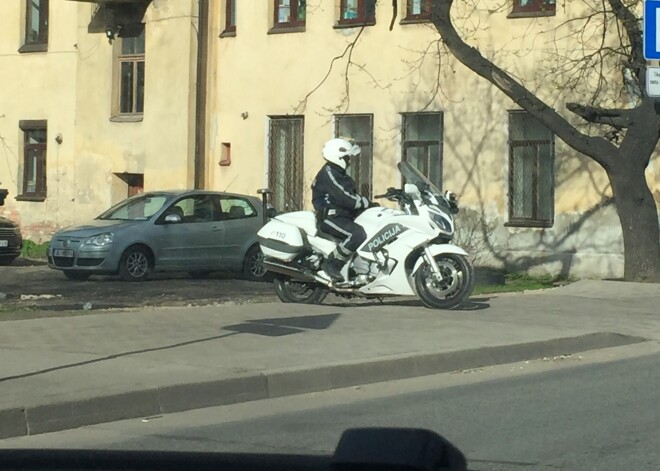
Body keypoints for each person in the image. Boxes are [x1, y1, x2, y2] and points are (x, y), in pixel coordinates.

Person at [311, 137, 374, 281]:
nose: (349, 161)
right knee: (357, 234)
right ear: (337, 156)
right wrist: (366, 203)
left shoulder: (338, 174)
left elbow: (350, 195)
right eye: (347, 157)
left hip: (343, 216)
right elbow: (344, 197)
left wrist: (368, 205)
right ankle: (332, 264)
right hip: (330, 218)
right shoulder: (329, 173)